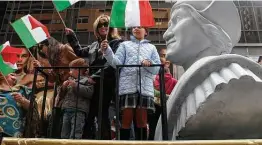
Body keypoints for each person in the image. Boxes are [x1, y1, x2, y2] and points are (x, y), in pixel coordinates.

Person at [155, 0, 262, 140]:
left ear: (209, 27)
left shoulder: (233, 82)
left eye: (178, 19)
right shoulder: (198, 83)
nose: (166, 34)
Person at [65, 14, 123, 139]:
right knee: (90, 113)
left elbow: (112, 64)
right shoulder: (93, 45)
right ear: (96, 29)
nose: (103, 27)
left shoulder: (117, 43)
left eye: (106, 24)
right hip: (92, 84)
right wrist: (71, 36)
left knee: (103, 113)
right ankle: (88, 139)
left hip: (107, 82)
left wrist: (95, 77)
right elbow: (79, 52)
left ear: (111, 28)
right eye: (100, 25)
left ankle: (105, 140)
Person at [101, 26, 161, 140]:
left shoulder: (152, 47)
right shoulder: (124, 45)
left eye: (140, 27)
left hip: (145, 88)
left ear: (146, 32)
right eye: (134, 27)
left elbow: (157, 69)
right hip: (127, 86)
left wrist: (149, 63)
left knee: (142, 121)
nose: (136, 29)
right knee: (126, 120)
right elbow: (116, 63)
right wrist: (107, 51)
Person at [55, 58, 94, 139]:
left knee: (75, 133)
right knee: (64, 133)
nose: (70, 72)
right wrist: (63, 87)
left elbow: (89, 93)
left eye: (71, 69)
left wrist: (75, 85)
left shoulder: (88, 80)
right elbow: (61, 95)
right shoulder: (70, 80)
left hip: (78, 111)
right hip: (66, 109)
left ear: (78, 70)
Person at [148, 48, 177, 140]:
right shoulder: (152, 79)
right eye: (162, 56)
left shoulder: (175, 82)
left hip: (168, 111)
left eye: (165, 56)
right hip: (154, 110)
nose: (164, 59)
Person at [0, 73, 35, 137]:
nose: (14, 77)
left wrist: (22, 100)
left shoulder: (22, 90)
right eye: (11, 75)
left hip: (13, 131)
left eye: (14, 75)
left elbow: (33, 108)